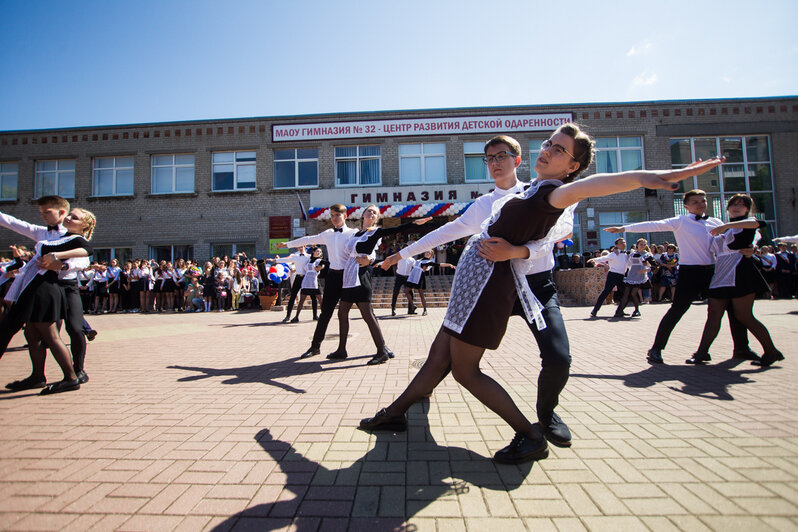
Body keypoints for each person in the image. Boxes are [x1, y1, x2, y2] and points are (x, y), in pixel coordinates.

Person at [363, 126, 724, 464]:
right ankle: (395, 413)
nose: (548, 150)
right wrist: (402, 253)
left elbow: (584, 193)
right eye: (549, 144)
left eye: (559, 149)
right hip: (479, 288)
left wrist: (647, 177)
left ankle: (539, 422)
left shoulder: (551, 194)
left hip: (520, 285)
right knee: (442, 356)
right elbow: (455, 229)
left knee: (523, 361)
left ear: (571, 165)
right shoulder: (510, 196)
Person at [605, 188, 755, 364]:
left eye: (703, 201)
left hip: (714, 272)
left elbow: (739, 236)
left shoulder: (716, 222)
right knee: (677, 310)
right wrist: (624, 228)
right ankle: (656, 348)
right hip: (689, 272)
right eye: (695, 202)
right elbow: (654, 224)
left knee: (731, 309)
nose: (700, 204)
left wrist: (751, 248)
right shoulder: (681, 221)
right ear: (686, 206)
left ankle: (741, 348)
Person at [3, 208, 96, 394]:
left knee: (62, 331)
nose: (68, 218)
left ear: (85, 225)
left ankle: (74, 374)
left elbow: (85, 255)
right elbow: (15, 223)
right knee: (32, 333)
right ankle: (37, 376)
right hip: (39, 287)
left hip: (56, 288)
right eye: (69, 215)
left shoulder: (76, 240)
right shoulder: (53, 235)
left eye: (74, 217)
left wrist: (60, 260)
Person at [687, 194, 784, 367]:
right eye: (733, 204)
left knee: (744, 315)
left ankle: (771, 351)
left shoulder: (746, 225)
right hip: (720, 275)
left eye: (742, 205)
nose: (736, 207)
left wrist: (747, 244)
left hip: (740, 273)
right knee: (713, 314)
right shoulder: (727, 229)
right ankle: (702, 353)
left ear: (748, 209)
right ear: (728, 207)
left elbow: (758, 225)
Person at [329, 206, 430, 365]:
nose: (371, 213)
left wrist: (415, 223)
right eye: (369, 211)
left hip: (361, 277)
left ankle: (381, 351)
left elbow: (396, 228)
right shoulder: (354, 234)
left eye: (374, 213)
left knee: (367, 315)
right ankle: (342, 350)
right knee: (342, 313)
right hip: (348, 277)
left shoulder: (375, 232)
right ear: (363, 215)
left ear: (376, 218)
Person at [276, 203, 357, 359]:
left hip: (349, 276)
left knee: (366, 311)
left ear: (345, 216)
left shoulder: (353, 233)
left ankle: (382, 347)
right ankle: (315, 347)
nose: (334, 218)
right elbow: (308, 239)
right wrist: (288, 244)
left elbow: (366, 245)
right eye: (332, 215)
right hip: (333, 276)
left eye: (337, 215)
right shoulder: (327, 234)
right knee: (325, 312)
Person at [614, 238, 659, 318]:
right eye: (641, 244)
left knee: (633, 293)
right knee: (626, 293)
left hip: (639, 276)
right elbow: (622, 252)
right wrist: (616, 250)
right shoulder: (632, 253)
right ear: (637, 245)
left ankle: (637, 310)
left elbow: (655, 266)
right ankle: (619, 311)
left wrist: (646, 270)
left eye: (644, 245)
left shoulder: (647, 255)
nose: (642, 246)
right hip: (631, 275)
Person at [587, 237, 629, 317]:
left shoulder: (626, 254)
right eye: (621, 243)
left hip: (621, 276)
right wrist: (594, 260)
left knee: (626, 293)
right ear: (617, 245)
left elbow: (629, 263)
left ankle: (620, 311)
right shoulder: (614, 254)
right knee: (605, 292)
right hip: (613, 275)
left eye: (624, 242)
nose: (623, 244)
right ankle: (595, 310)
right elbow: (605, 258)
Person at [276, 247, 310, 322]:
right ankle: (288, 316)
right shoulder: (295, 256)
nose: (301, 248)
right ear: (298, 248)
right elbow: (286, 260)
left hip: (306, 277)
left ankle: (315, 315)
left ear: (305, 247)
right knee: (293, 296)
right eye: (299, 247)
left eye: (302, 247)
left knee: (313, 295)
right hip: (298, 277)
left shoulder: (308, 256)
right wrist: (275, 260)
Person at [291, 247, 325, 321]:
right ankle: (296, 317)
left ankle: (324, 316)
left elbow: (318, 268)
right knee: (302, 300)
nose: (319, 253)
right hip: (306, 281)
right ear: (313, 252)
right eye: (317, 251)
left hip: (315, 281)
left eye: (320, 252)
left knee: (320, 299)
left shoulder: (320, 261)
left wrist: (320, 266)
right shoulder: (309, 260)